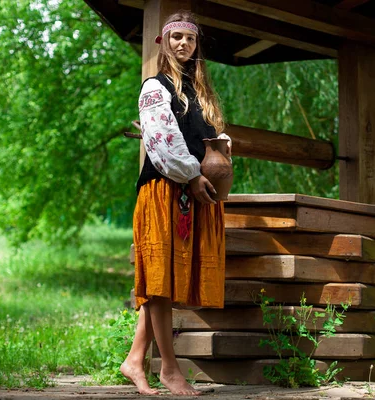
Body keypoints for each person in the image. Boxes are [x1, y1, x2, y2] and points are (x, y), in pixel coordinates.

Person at [120, 11, 230, 396]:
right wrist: (193, 176)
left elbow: (210, 141)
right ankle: (169, 368)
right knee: (160, 282)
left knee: (163, 278)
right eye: (176, 37)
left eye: (190, 38)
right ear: (163, 42)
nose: (183, 44)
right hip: (163, 191)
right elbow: (163, 137)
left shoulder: (201, 95)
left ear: (197, 45)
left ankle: (135, 361)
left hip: (190, 191)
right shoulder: (155, 86)